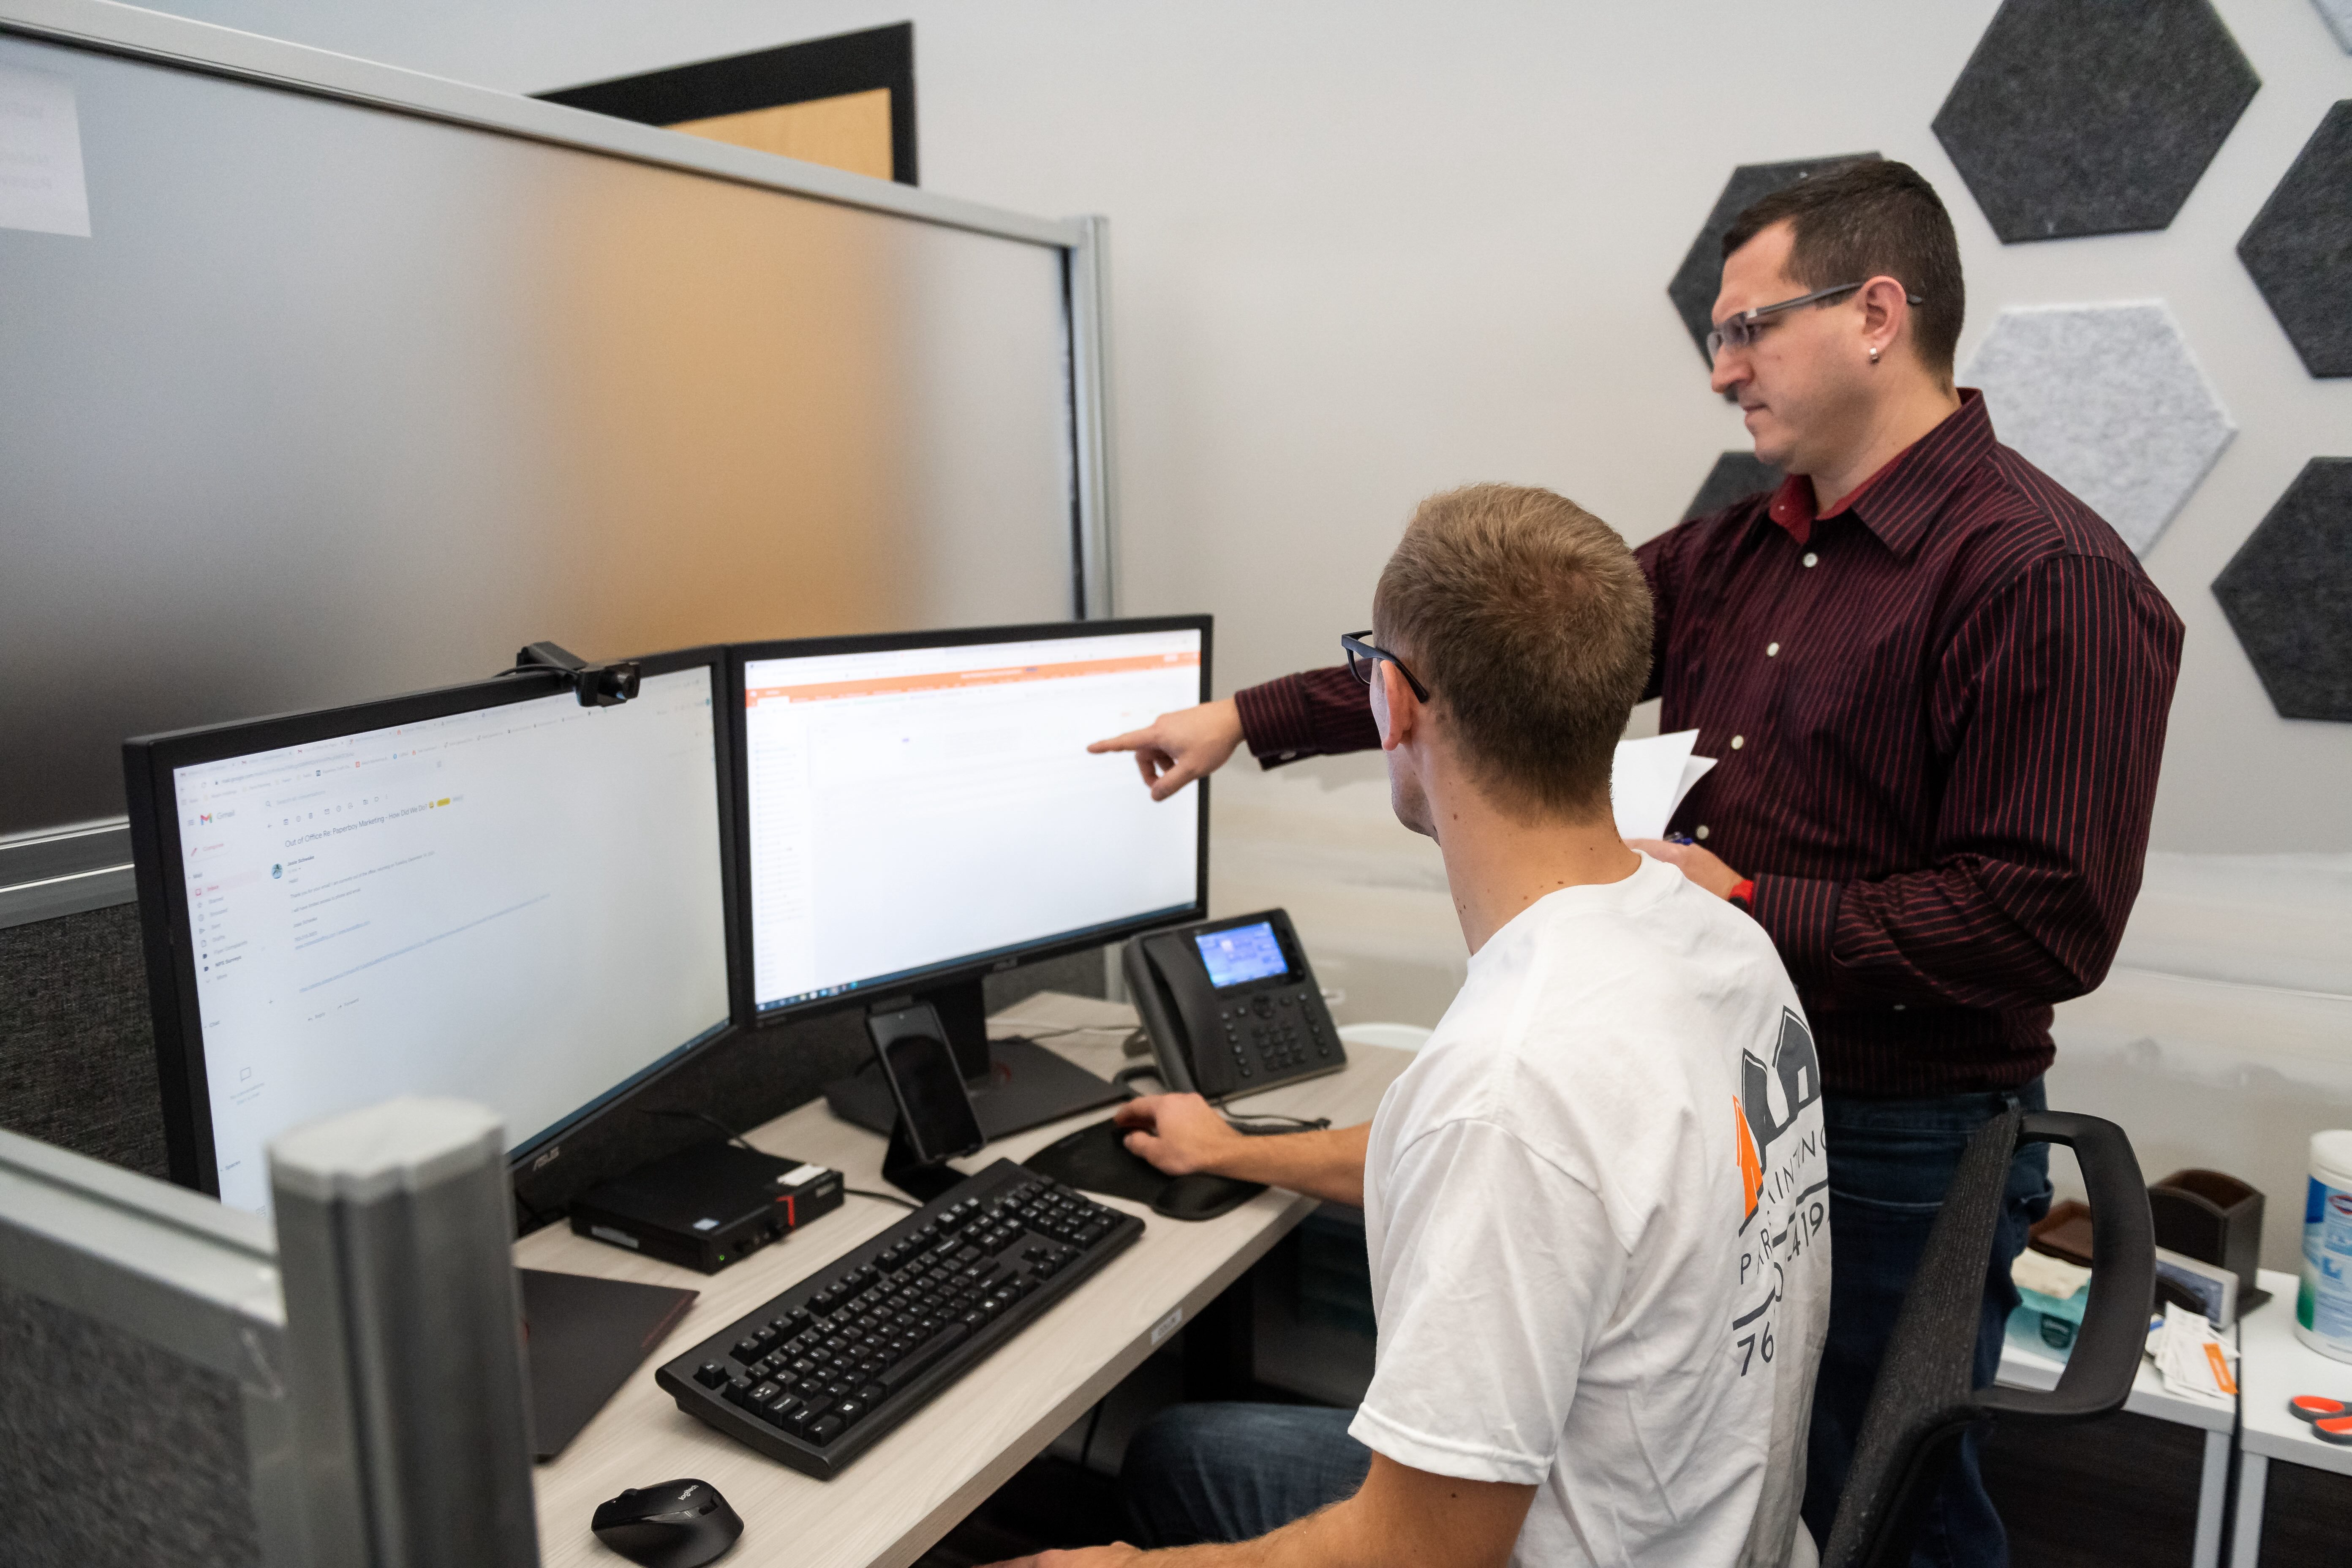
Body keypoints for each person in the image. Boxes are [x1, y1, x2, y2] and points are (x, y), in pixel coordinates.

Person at [1087, 161, 2183, 1567]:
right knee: (1736, 1468)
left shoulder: (2044, 578)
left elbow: (2043, 925)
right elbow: (1504, 649)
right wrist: (1244, 719)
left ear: (1874, 313)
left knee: (1878, 1500)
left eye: (1744, 329)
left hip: (1884, 1124)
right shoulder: (1750, 547)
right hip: (1720, 1076)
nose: (1718, 370)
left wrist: (1739, 899)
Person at [999, 484, 1830, 1568]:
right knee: (1177, 1456)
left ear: (1391, 702)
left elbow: (1415, 1555)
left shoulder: (1512, 1082)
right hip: (1714, 1528)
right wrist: (1238, 1148)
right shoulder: (1715, 930)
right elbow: (1554, 1177)